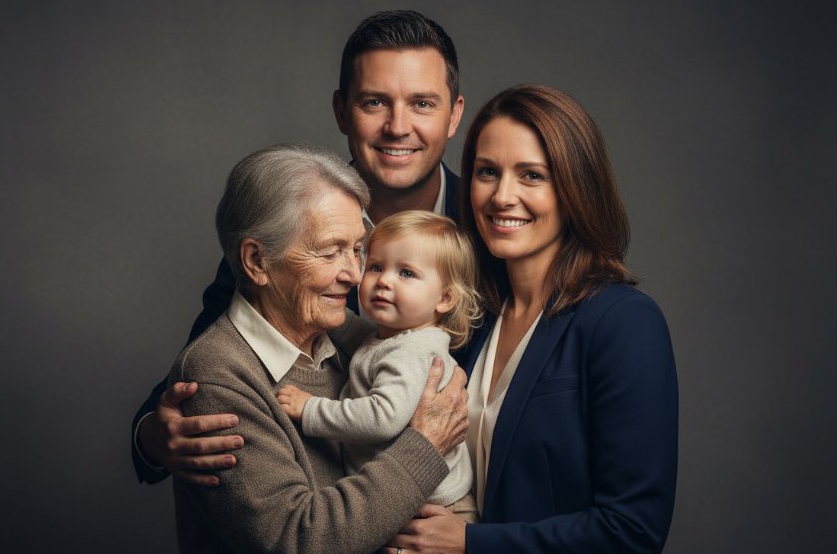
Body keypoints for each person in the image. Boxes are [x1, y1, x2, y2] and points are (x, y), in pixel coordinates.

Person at [133, 9, 466, 486]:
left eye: (422, 104)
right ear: (341, 111)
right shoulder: (284, 226)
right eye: (374, 102)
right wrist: (151, 436)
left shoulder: (488, 232)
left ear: (454, 114)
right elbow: (206, 368)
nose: (398, 126)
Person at [383, 84, 678, 553]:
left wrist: (472, 544)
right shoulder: (469, 320)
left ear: (575, 188)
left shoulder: (623, 322)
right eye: (487, 172)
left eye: (532, 176)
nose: (502, 196)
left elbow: (633, 530)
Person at [169, 143, 467, 554]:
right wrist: (426, 445)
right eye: (329, 252)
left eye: (358, 251)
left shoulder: (347, 340)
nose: (355, 275)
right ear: (257, 261)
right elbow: (299, 539)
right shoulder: (218, 376)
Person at [275, 210, 484, 523]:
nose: (384, 281)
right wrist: (325, 307)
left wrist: (310, 410)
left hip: (436, 509)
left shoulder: (411, 351)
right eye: (375, 267)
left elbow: (382, 417)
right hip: (411, 495)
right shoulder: (396, 336)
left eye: (407, 273)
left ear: (444, 298)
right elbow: (355, 333)